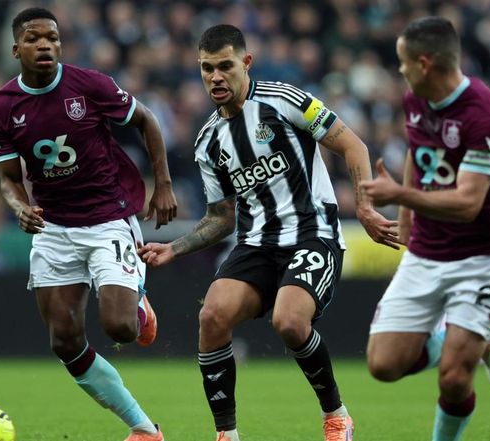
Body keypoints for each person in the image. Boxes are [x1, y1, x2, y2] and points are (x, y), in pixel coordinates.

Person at [137, 24, 398, 441]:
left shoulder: (285, 100)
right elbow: (221, 217)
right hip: (256, 244)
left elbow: (354, 146)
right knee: (212, 316)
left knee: (290, 322)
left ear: (246, 63)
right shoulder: (208, 141)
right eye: (206, 68)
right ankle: (227, 435)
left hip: (312, 233)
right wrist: (175, 249)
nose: (215, 77)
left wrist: (365, 208)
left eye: (225, 66)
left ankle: (336, 416)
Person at [0, 8, 177, 441]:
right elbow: (8, 178)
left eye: (52, 38)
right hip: (53, 228)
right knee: (64, 341)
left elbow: (146, 119)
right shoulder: (1, 106)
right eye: (33, 38)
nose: (45, 45)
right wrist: (18, 206)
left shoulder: (89, 85)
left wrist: (163, 184)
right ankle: (144, 430)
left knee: (120, 328)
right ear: (16, 49)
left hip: (107, 218)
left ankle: (138, 302)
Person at [361, 17, 490, 441]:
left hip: (482, 254)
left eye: (403, 62)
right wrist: (407, 220)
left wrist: (400, 196)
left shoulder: (484, 114)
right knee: (383, 365)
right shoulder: (416, 98)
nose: (400, 70)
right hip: (427, 251)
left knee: (453, 377)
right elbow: (418, 151)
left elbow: (468, 204)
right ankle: (477, 339)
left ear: (424, 63)